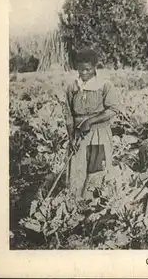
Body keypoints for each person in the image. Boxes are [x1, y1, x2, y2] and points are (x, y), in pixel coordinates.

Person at [63, 48, 120, 199]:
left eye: (88, 69)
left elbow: (113, 109)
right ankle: (75, 204)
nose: (84, 73)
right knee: (77, 169)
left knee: (96, 169)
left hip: (98, 133)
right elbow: (68, 114)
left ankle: (94, 204)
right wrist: (71, 136)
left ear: (95, 67)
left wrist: (90, 121)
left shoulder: (105, 85)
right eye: (80, 70)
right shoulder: (73, 87)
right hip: (78, 134)